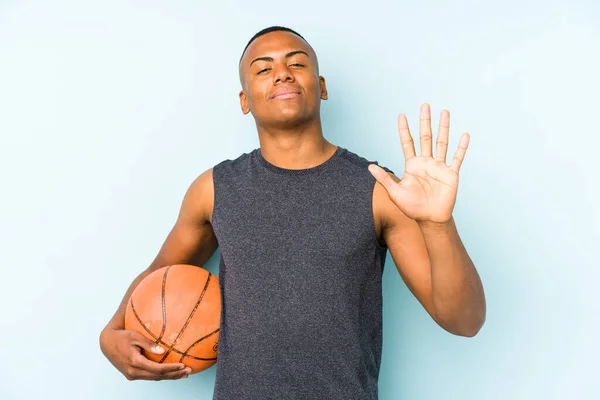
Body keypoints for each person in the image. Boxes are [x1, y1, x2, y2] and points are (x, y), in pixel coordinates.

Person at [99, 26, 486, 399]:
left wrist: (439, 224)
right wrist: (111, 333)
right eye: (263, 68)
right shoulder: (213, 190)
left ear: (321, 87)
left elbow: (464, 321)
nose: (281, 73)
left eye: (297, 64)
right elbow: (157, 276)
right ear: (244, 100)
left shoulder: (380, 189)